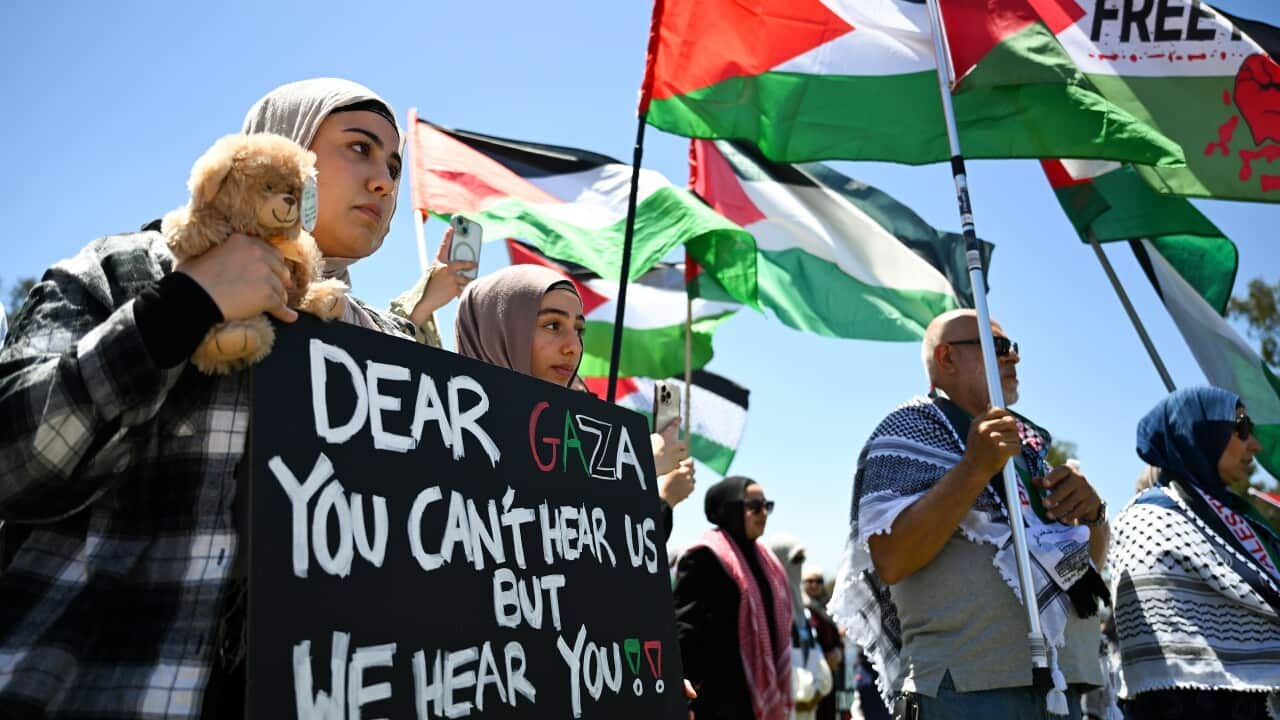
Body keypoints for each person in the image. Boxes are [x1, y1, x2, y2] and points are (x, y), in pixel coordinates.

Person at [0, 78, 473, 717]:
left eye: (393, 165)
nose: (386, 182)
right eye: (359, 148)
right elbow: (13, 457)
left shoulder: (386, 344)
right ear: (278, 152)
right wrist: (180, 311)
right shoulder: (129, 272)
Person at [828, 309, 1109, 719]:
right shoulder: (907, 430)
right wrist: (973, 470)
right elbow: (890, 558)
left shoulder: (1027, 456)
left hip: (1055, 687)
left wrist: (1094, 516)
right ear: (947, 358)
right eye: (997, 348)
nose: (1013, 358)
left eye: (1013, 349)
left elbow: (1088, 570)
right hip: (965, 689)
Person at [454, 265, 694, 533]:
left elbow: (602, 557)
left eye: (578, 329)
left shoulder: (572, 441)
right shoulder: (444, 438)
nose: (573, 346)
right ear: (497, 331)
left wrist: (651, 486)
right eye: (553, 325)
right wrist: (636, 467)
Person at [1110, 387, 1280, 719]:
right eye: (1242, 429)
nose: (1254, 445)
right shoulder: (1150, 520)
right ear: (1200, 433)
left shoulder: (1247, 520)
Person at [673, 476, 792, 720]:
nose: (764, 513)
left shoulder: (765, 561)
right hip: (719, 699)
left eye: (766, 505)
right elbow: (684, 630)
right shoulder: (704, 556)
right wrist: (687, 697)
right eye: (754, 506)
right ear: (730, 509)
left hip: (757, 695)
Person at [767, 536, 833, 720]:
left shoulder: (804, 613)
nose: (798, 567)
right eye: (794, 561)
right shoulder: (770, 609)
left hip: (808, 707)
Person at [801, 565, 851, 720]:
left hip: (831, 673)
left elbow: (836, 638)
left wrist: (837, 653)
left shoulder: (829, 608)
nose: (814, 585)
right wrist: (823, 658)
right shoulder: (799, 608)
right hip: (810, 672)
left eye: (818, 581)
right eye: (810, 581)